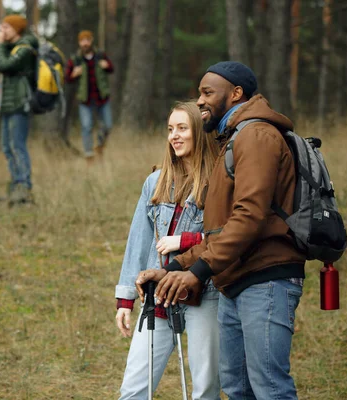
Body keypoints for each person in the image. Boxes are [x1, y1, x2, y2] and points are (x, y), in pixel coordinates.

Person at [138, 61, 306, 400]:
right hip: (236, 280)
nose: (199, 100)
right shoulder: (232, 139)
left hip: (266, 280)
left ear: (236, 94)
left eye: (207, 93)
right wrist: (174, 268)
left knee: (269, 389)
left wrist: (198, 271)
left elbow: (249, 217)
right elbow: (220, 231)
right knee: (237, 389)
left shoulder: (256, 136)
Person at [116, 102, 221, 400]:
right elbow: (138, 240)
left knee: (205, 389)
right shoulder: (155, 182)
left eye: (182, 128)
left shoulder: (218, 182)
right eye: (170, 129)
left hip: (205, 292)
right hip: (158, 294)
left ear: (199, 134)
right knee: (134, 389)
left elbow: (227, 235)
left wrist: (186, 240)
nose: (174, 136)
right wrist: (125, 298)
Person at [0, 14, 38, 206]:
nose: (2, 31)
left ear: (17, 29)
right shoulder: (10, 48)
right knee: (7, 148)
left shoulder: (25, 48)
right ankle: (15, 187)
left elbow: (5, 64)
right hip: (7, 105)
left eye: (6, 27)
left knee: (17, 146)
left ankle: (24, 188)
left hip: (19, 104)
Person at [65, 30, 114, 164]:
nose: (85, 43)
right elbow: (67, 78)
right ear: (79, 43)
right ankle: (89, 156)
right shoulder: (75, 59)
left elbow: (111, 69)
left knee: (108, 125)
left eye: (87, 40)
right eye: (82, 40)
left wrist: (107, 65)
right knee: (86, 127)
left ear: (91, 41)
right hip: (85, 99)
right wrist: (73, 74)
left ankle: (99, 145)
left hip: (102, 97)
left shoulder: (100, 55)